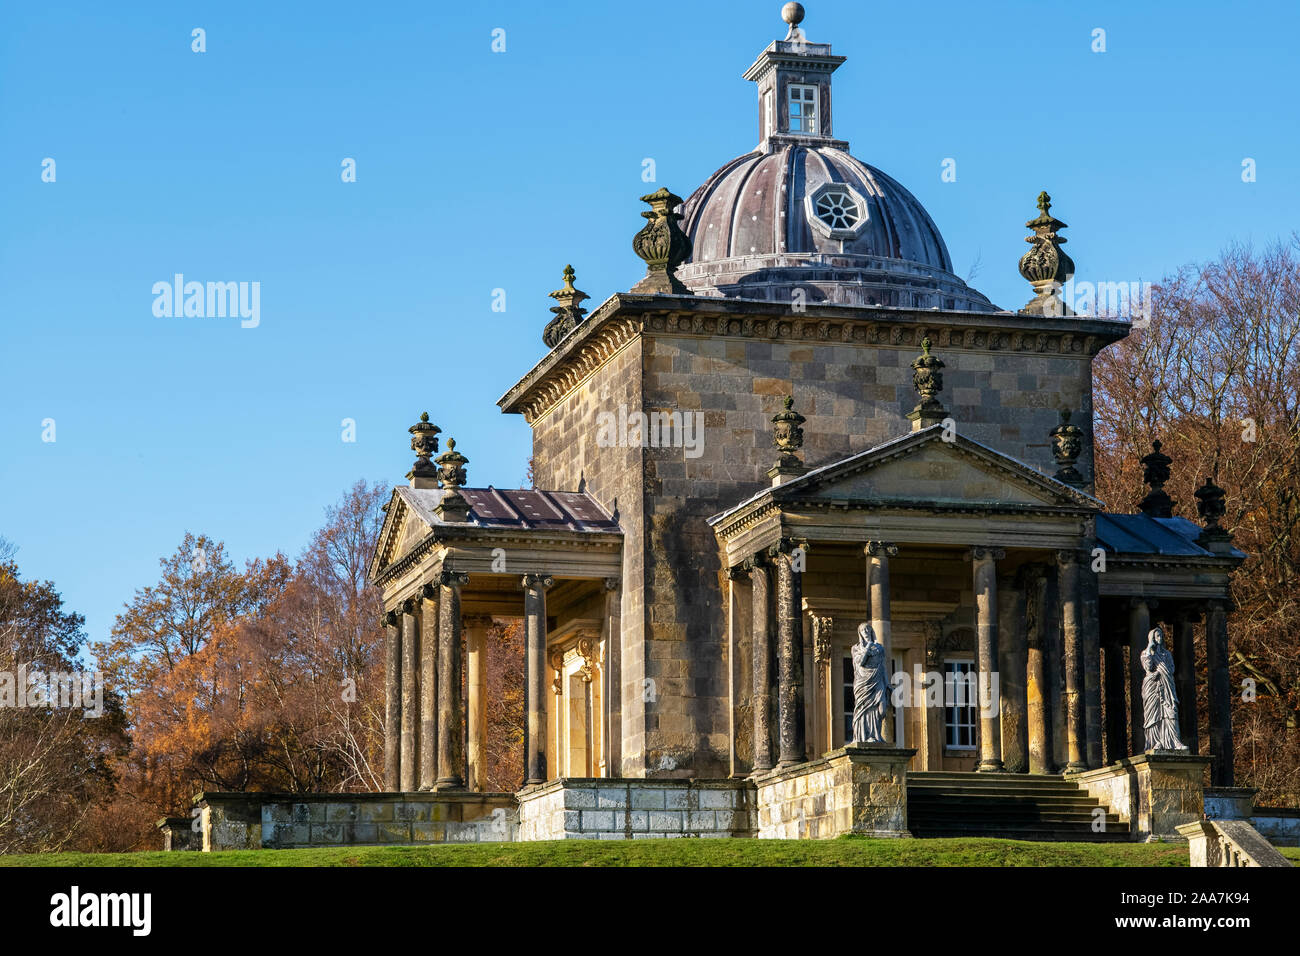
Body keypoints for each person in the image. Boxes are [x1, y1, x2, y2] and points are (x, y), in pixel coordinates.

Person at [1140, 626, 1187, 751]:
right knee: (1153, 715)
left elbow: (1171, 669)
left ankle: (1175, 741)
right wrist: (1150, 647)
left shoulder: (1167, 654)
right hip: (1152, 688)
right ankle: (1155, 742)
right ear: (1152, 638)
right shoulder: (1146, 653)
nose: (1160, 638)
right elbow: (1148, 667)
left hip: (1167, 686)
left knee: (1171, 712)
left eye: (1161, 636)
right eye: (1157, 636)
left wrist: (1161, 671)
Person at [852, 622, 889, 743]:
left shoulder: (879, 648)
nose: (866, 632)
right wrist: (868, 647)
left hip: (877, 680)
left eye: (868, 629)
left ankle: (876, 734)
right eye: (863, 630)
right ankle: (865, 736)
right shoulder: (856, 648)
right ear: (860, 633)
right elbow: (861, 662)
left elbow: (882, 667)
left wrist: (887, 683)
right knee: (864, 708)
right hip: (863, 682)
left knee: (881, 710)